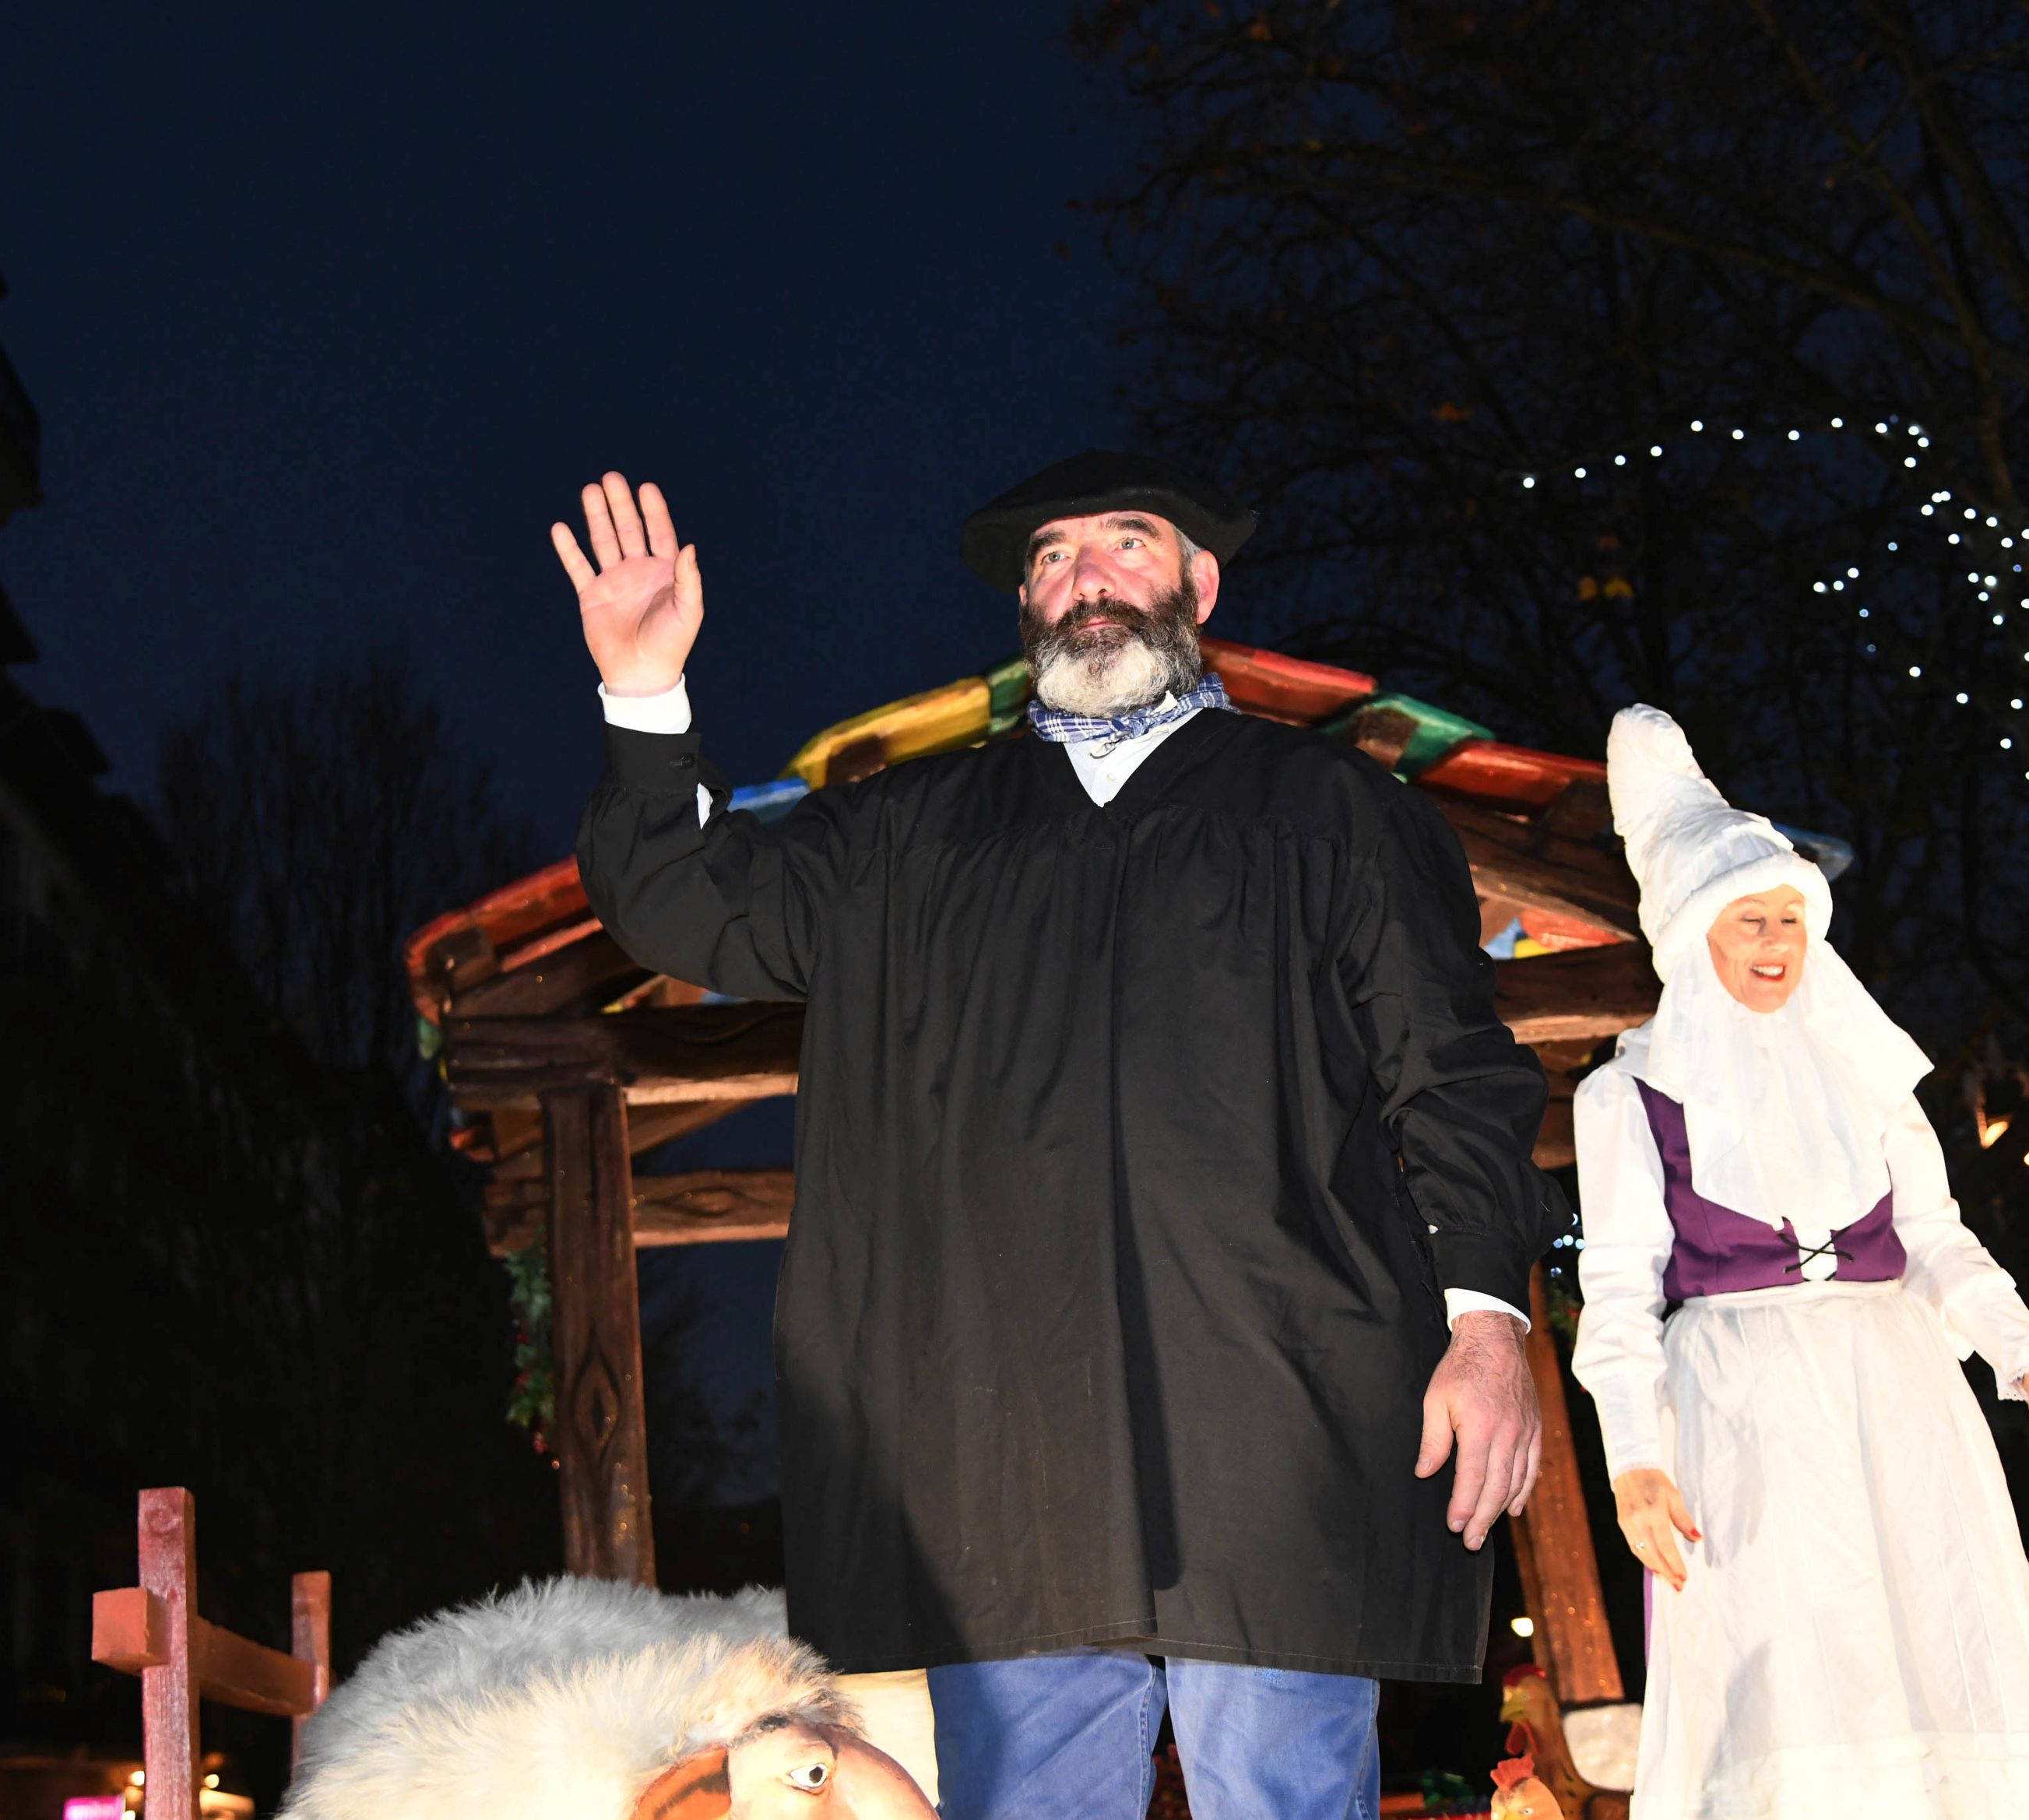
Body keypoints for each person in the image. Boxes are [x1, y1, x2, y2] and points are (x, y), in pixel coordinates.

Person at [554, 451, 1569, 1818]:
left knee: (1283, 1790)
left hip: (1273, 1415)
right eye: (1051, 557)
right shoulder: (911, 837)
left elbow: (1451, 1068)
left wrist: (1486, 1321)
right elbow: (682, 898)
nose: (1085, 577)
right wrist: (642, 690)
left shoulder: (1331, 812)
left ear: (1199, 584)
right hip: (1006, 1435)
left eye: (1126, 543)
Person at [1569, 704, 2029, 1819]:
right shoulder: (1627, 1096)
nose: (1774, 940)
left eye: (1789, 917)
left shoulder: (1866, 1077)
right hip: (1741, 1413)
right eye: (1746, 918)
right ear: (1690, 933)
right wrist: (1634, 1456)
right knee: (1791, 1675)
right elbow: (1617, 1287)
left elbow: (1939, 1240)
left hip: (1899, 1397)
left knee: (1940, 1639)